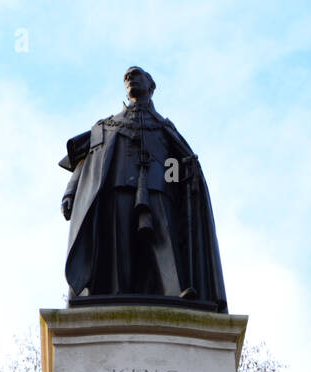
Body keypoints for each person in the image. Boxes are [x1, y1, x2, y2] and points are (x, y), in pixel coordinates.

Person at [59, 67, 228, 312]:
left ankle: (176, 292)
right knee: (121, 246)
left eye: (136, 75)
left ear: (151, 86)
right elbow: (86, 162)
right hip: (118, 189)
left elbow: (175, 162)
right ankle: (117, 294)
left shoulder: (163, 127)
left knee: (164, 241)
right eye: (127, 77)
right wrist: (70, 193)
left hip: (158, 190)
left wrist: (176, 182)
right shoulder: (107, 126)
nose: (130, 79)